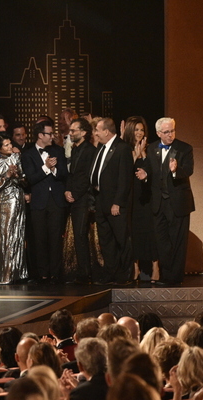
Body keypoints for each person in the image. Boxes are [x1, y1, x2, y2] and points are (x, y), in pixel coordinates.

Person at [136, 117, 194, 286]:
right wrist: (145, 175)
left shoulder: (184, 148)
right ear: (158, 133)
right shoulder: (153, 148)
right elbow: (150, 169)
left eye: (173, 131)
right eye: (167, 132)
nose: (171, 135)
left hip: (177, 202)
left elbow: (189, 170)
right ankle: (166, 275)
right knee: (162, 241)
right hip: (159, 204)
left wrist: (176, 170)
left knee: (177, 241)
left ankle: (175, 278)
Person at [21, 120, 68, 283]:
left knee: (55, 238)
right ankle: (42, 274)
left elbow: (64, 174)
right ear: (40, 135)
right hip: (38, 202)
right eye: (49, 133)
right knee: (39, 239)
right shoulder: (28, 154)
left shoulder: (58, 151)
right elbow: (30, 179)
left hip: (56, 201)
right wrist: (46, 168)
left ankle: (55, 273)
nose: (52, 136)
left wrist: (54, 169)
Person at [90, 118, 133, 285]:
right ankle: (111, 273)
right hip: (101, 202)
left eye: (98, 131)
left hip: (115, 204)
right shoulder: (101, 148)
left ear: (106, 131)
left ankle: (125, 275)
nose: (95, 134)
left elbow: (124, 179)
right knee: (106, 241)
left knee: (121, 239)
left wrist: (118, 202)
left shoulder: (122, 148)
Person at [0, 132, 28, 284]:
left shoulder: (16, 157)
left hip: (15, 200)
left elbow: (24, 181)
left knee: (13, 234)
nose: (11, 147)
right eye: (7, 145)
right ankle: (0, 273)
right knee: (0, 236)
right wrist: (7, 176)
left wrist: (17, 176)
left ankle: (13, 273)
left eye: (11, 144)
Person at [123, 116, 159, 282]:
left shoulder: (151, 149)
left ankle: (155, 267)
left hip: (146, 196)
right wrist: (136, 153)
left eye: (141, 130)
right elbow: (123, 173)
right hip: (132, 198)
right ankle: (135, 268)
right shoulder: (124, 149)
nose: (139, 132)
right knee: (134, 232)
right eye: (136, 129)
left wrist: (143, 153)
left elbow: (153, 172)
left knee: (150, 232)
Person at [64, 118, 97, 284]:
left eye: (73, 131)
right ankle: (81, 271)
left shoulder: (90, 150)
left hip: (83, 198)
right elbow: (72, 173)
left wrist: (75, 193)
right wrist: (67, 190)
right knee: (77, 236)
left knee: (81, 235)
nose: (70, 133)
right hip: (74, 197)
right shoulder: (76, 150)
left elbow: (86, 177)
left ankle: (86, 273)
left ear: (84, 132)